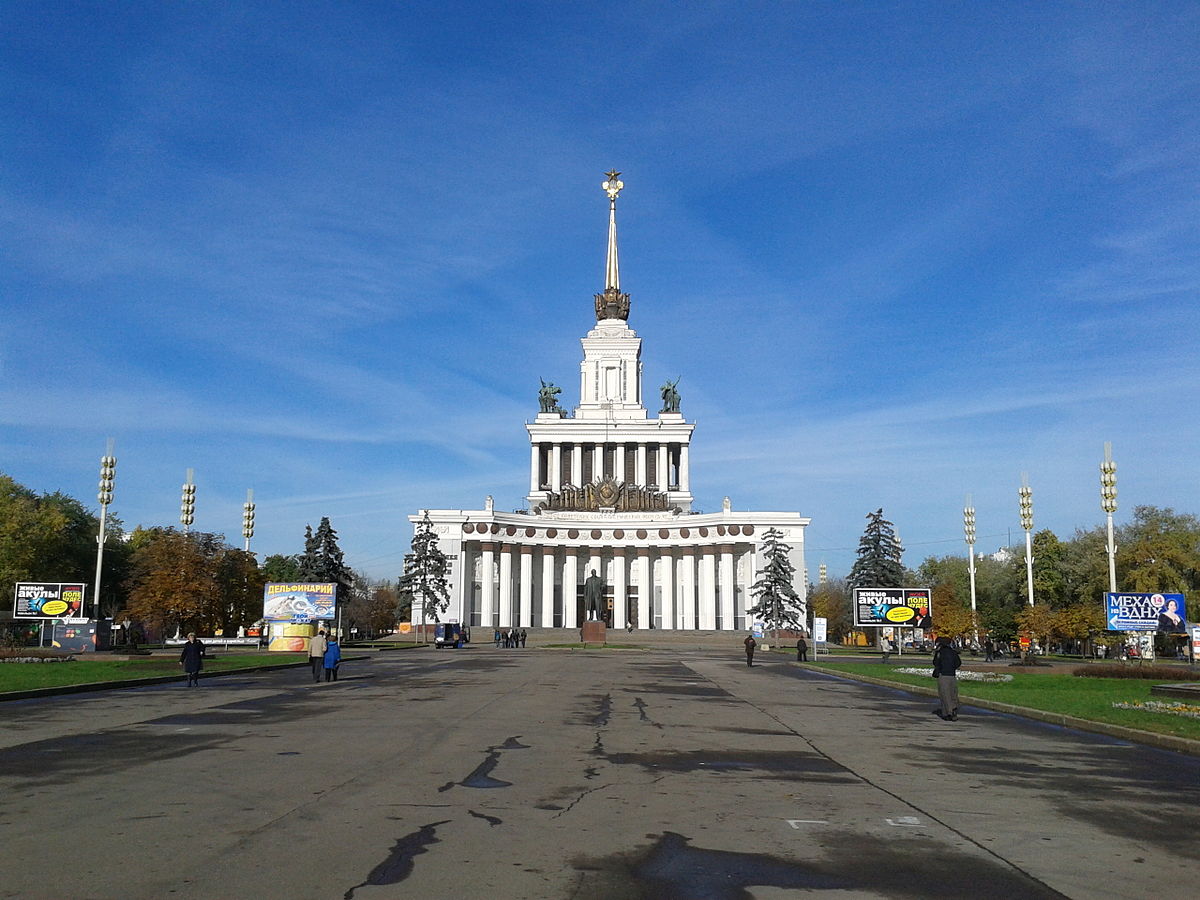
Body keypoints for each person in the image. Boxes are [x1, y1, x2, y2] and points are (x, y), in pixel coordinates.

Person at [931, 636, 962, 720]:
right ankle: (954, 707)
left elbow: (935, 662)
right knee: (953, 693)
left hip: (943, 675)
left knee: (945, 694)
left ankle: (948, 712)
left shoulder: (940, 652)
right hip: (952, 675)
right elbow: (958, 663)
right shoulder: (953, 652)